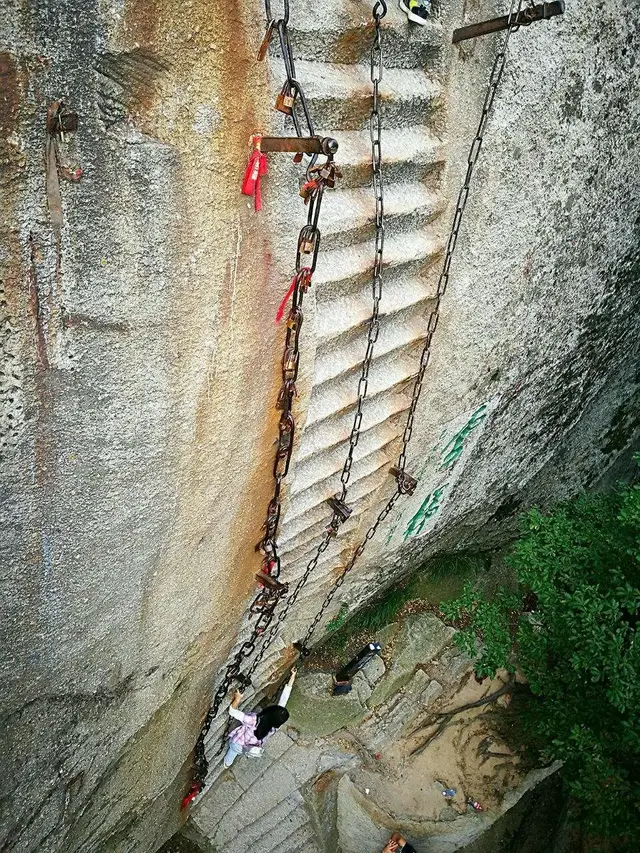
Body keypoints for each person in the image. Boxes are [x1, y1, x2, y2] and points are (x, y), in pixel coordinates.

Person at [223, 667, 297, 767]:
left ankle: (227, 762)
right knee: (233, 755)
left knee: (232, 751)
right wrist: (292, 677)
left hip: (238, 743)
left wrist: (237, 698)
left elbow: (232, 712)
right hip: (249, 745)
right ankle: (227, 764)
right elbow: (283, 700)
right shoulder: (273, 727)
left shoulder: (253, 721)